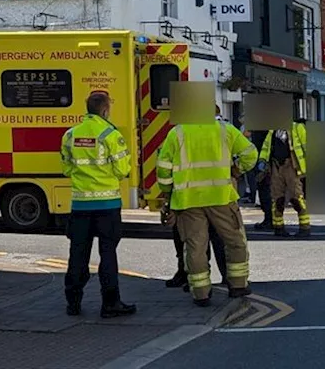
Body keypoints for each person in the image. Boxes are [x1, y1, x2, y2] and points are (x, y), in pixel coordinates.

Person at [156, 104, 258, 307]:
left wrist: (169, 194)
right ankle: (238, 285)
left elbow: (163, 168)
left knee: (195, 247)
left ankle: (201, 293)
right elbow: (250, 154)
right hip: (221, 197)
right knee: (235, 241)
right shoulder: (225, 130)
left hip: (188, 201)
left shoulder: (177, 133)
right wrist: (236, 170)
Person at [60, 91, 136, 318]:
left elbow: (67, 168)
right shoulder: (111, 135)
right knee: (108, 254)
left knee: (78, 254)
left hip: (80, 205)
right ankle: (110, 304)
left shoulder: (70, 135)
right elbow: (123, 170)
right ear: (105, 110)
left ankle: (73, 302)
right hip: (107, 205)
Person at [259, 117, 310, 237]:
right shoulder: (272, 131)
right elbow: (266, 147)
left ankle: (304, 227)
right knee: (277, 199)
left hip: (292, 166)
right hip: (276, 166)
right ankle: (278, 227)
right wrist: (262, 160)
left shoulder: (298, 128)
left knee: (296, 197)